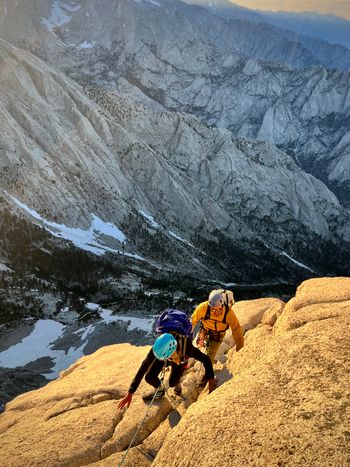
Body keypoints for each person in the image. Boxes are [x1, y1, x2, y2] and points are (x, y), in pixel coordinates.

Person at [118, 332, 215, 409]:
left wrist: (211, 380)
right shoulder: (159, 346)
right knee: (149, 377)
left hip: (179, 361)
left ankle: (177, 384)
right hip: (165, 355)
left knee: (172, 383)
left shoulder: (186, 347)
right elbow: (144, 366)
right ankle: (160, 390)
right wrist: (131, 391)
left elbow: (205, 359)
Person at [191, 289, 244, 365]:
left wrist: (240, 348)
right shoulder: (203, 307)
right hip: (205, 329)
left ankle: (208, 371)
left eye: (218, 309)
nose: (215, 311)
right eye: (213, 309)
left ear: (222, 305)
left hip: (218, 334)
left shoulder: (228, 313)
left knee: (209, 356)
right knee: (199, 344)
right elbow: (193, 320)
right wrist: (188, 333)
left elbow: (236, 329)